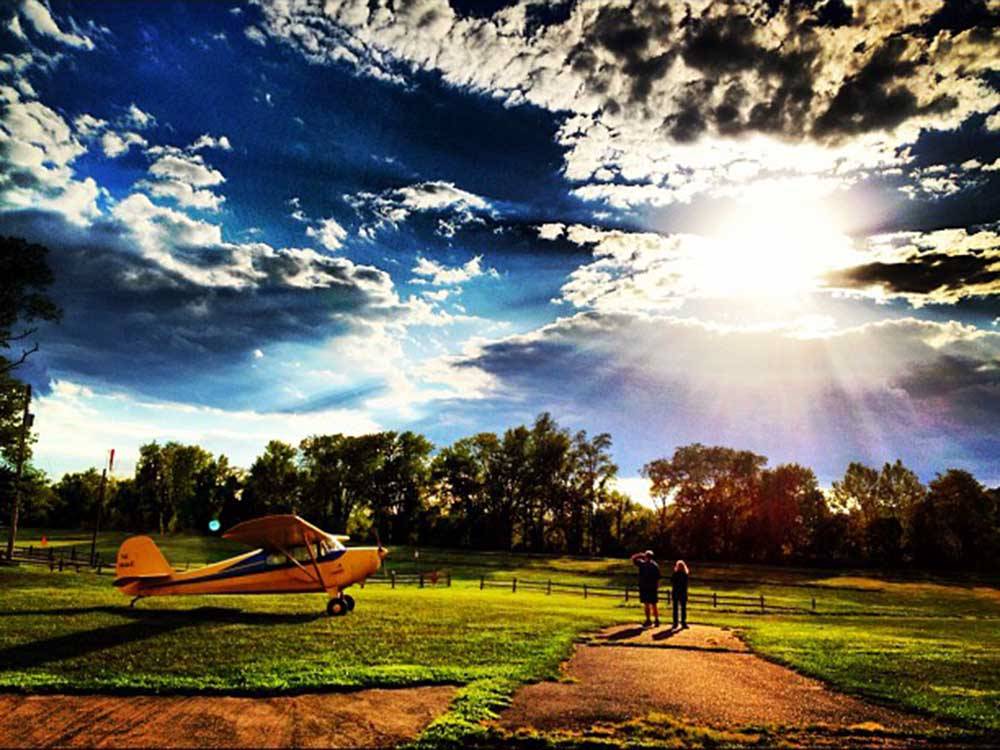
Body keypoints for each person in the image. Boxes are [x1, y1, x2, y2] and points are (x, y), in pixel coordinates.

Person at [630, 550, 660, 627]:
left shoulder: (642, 564)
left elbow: (633, 558)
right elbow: (658, 578)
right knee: (654, 604)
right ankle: (656, 620)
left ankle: (648, 620)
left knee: (646, 604)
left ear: (646, 556)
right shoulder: (655, 565)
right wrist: (657, 586)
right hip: (652, 587)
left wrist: (640, 554)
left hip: (644, 586)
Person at [671, 560, 690, 629]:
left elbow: (672, 582)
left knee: (675, 609)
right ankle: (683, 622)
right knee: (683, 608)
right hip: (683, 593)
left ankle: (675, 623)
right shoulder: (685, 575)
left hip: (676, 592)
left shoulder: (675, 574)